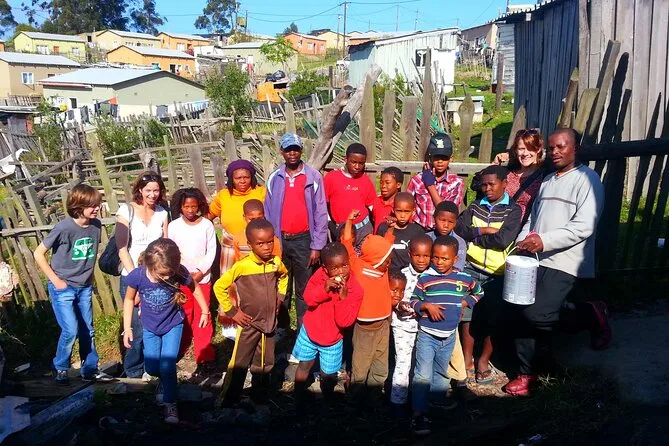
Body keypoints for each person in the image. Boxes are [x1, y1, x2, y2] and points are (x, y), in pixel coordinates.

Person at [508, 128, 610, 396]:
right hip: (536, 258)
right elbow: (533, 218)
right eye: (551, 147)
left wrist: (544, 241)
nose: (555, 152)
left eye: (561, 147)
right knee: (520, 309)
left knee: (537, 314)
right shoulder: (548, 180)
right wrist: (522, 241)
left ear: (576, 148)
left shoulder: (587, 180)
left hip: (566, 260)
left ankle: (592, 315)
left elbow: (584, 226)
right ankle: (526, 373)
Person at [122, 238, 210, 424]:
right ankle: (164, 381)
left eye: (171, 273)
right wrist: (127, 328)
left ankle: (170, 403)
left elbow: (194, 288)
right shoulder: (138, 276)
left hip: (173, 325)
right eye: (163, 274)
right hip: (150, 327)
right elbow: (129, 300)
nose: (168, 277)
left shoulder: (178, 272)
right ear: (150, 266)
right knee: (152, 367)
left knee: (167, 365)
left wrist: (205, 310)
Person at [34, 184, 113, 385]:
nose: (97, 208)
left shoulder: (96, 226)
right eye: (92, 205)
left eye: (98, 204)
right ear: (79, 206)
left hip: (84, 287)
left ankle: (90, 369)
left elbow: (89, 255)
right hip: (63, 287)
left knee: (88, 329)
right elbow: (38, 253)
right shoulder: (64, 228)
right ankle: (60, 368)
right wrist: (56, 281)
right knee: (70, 330)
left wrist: (88, 278)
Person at [410, 236, 484, 435]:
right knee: (422, 375)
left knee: (442, 371)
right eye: (435, 257)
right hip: (427, 336)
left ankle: (437, 400)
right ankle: (418, 414)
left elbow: (479, 291)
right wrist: (426, 305)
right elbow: (413, 300)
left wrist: (465, 302)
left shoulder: (463, 278)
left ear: (455, 259)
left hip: (449, 336)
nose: (439, 262)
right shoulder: (425, 279)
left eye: (444, 258)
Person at [455, 165, 522, 383]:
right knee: (467, 315)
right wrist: (483, 231)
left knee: (493, 318)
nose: (487, 189)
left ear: (505, 184)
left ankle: (483, 359)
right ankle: (467, 358)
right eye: (484, 185)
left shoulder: (513, 211)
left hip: (497, 273)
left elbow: (503, 240)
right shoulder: (476, 207)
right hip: (471, 267)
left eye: (492, 184)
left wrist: (474, 237)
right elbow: (460, 229)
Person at [213, 219, 288, 407]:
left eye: (270, 242)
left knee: (264, 364)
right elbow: (219, 287)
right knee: (239, 364)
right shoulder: (243, 266)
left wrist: (280, 297)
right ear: (250, 244)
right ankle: (227, 401)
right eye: (260, 243)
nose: (266, 247)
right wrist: (232, 312)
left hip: (268, 324)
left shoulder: (275, 263)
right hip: (248, 324)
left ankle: (259, 398)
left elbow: (284, 276)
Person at [264, 133, 328, 331]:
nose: (292, 153)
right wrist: (271, 242)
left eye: (296, 149)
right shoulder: (275, 177)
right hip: (280, 240)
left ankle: (304, 329)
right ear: (281, 151)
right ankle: (282, 329)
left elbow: (321, 212)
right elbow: (268, 211)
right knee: (281, 286)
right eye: (288, 149)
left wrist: (317, 245)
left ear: (301, 151)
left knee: (304, 288)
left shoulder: (313, 177)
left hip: (304, 241)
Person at [292, 242, 363, 412]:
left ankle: (327, 402)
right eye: (334, 268)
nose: (341, 272)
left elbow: (345, 322)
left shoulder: (355, 290)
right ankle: (297, 398)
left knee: (328, 375)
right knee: (304, 366)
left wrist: (342, 299)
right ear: (325, 268)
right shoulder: (320, 276)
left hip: (332, 339)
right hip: (310, 332)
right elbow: (308, 299)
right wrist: (324, 289)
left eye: (344, 265)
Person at [115, 171, 169, 379]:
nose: (153, 194)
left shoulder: (162, 213)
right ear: (140, 190)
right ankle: (133, 370)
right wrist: (136, 277)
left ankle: (152, 367)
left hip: (156, 275)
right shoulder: (126, 211)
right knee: (136, 325)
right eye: (148, 190)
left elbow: (166, 245)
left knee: (154, 320)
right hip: (132, 274)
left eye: (156, 190)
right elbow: (122, 248)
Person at [343, 209, 394, 407]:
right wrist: (349, 221)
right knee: (361, 366)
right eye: (386, 260)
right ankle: (355, 400)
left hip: (383, 326)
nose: (389, 262)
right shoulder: (359, 267)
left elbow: (386, 244)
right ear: (376, 260)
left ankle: (375, 396)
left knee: (380, 365)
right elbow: (347, 245)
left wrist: (390, 228)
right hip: (364, 329)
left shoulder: (383, 268)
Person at [168, 188, 216, 370]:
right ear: (180, 206)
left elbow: (211, 251)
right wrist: (180, 273)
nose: (190, 210)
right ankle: (180, 348)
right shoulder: (174, 226)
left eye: (193, 206)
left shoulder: (206, 225)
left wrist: (201, 271)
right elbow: (171, 251)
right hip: (181, 277)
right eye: (186, 206)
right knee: (184, 312)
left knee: (203, 313)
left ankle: (204, 354)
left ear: (199, 206)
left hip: (202, 278)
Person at [208, 160, 267, 288]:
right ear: (231, 179)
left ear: (252, 177)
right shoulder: (223, 196)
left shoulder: (261, 193)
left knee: (254, 282)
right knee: (229, 282)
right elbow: (209, 216)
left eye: (246, 177)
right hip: (230, 246)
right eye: (238, 178)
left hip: (255, 245)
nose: (242, 181)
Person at [407, 133, 465, 231]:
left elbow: (446, 211)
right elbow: (407, 205)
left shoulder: (456, 183)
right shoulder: (417, 180)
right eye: (436, 157)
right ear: (431, 157)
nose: (440, 161)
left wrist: (430, 186)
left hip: (442, 231)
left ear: (451, 158)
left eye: (444, 157)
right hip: (419, 229)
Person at [324, 143, 377, 248]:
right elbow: (323, 203)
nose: (357, 166)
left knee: (364, 256)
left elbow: (373, 206)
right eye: (353, 162)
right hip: (343, 230)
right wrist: (330, 224)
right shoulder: (332, 177)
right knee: (346, 256)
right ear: (346, 159)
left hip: (364, 229)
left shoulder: (365, 180)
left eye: (361, 163)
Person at [493, 129, 546, 224]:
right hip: (500, 226)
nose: (525, 153)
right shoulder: (508, 172)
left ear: (538, 149)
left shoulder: (545, 175)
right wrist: (494, 165)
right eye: (521, 149)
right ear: (516, 150)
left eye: (530, 149)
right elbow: (484, 186)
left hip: (527, 227)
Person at [377, 192, 425, 271]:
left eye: (406, 211)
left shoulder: (417, 231)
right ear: (393, 210)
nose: (402, 216)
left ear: (413, 211)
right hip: (387, 272)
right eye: (399, 211)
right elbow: (378, 252)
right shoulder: (383, 228)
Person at [428, 201, 466, 271]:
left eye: (450, 222)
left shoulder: (460, 242)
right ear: (434, 218)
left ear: (455, 223)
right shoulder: (426, 239)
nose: (446, 225)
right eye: (442, 220)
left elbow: (457, 268)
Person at [372, 167, 404, 233]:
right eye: (381, 182)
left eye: (387, 183)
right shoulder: (377, 201)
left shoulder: (402, 205)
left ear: (398, 185)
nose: (383, 186)